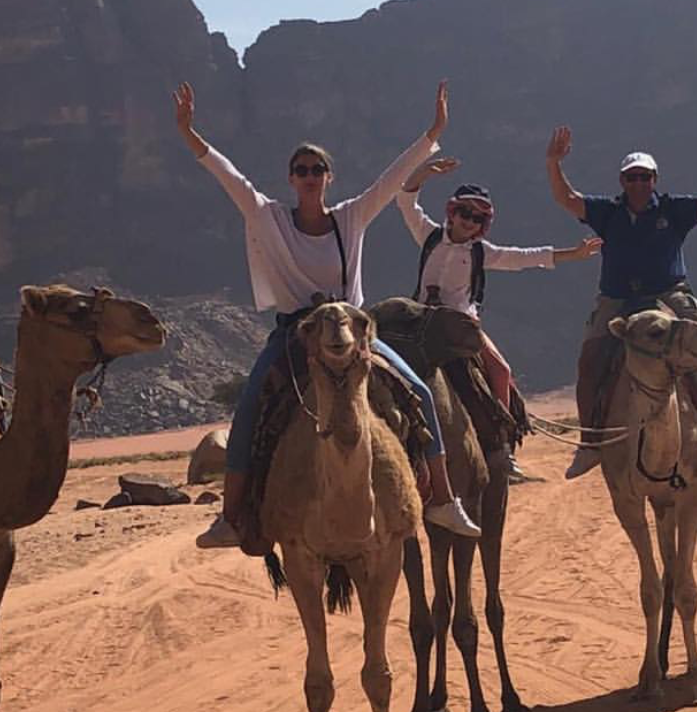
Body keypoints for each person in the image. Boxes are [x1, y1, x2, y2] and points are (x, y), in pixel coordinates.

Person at [173, 79, 481, 547]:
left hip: (355, 334)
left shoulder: (351, 217)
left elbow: (391, 180)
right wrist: (188, 133)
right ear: (291, 179)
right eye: (302, 169)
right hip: (295, 334)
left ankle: (441, 498)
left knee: (418, 392)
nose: (310, 175)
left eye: (318, 169)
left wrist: (433, 133)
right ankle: (230, 517)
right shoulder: (268, 217)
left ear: (329, 177)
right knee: (250, 406)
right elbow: (228, 175)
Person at [546, 126, 697, 479]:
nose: (638, 183)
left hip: (669, 293)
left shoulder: (673, 209)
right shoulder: (607, 212)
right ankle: (590, 444)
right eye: (632, 177)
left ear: (654, 179)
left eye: (644, 177)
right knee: (589, 361)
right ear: (622, 181)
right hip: (617, 298)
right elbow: (567, 198)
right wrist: (554, 163)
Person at [398, 157, 602, 477]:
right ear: (452, 212)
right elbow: (406, 200)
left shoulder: (482, 252)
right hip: (420, 323)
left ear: (484, 224)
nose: (469, 221)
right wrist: (423, 172)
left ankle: (501, 445)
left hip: (461, 327)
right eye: (465, 213)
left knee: (500, 371)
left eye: (477, 218)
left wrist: (572, 255)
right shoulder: (428, 235)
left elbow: (523, 258)